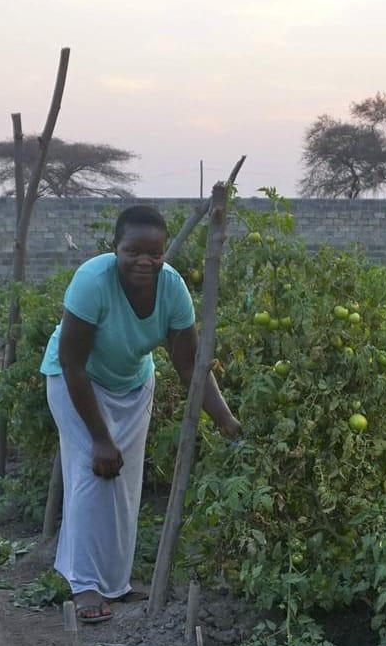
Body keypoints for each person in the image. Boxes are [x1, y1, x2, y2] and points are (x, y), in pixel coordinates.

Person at [40, 204, 239, 624]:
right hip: (76, 381)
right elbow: (72, 362)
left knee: (125, 483)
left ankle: (116, 581)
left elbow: (189, 365)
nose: (144, 261)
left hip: (132, 383)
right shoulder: (92, 281)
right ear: (116, 248)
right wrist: (99, 436)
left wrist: (224, 419)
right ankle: (83, 585)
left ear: (164, 252)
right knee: (92, 473)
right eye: (133, 251)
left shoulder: (173, 289)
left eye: (155, 252)